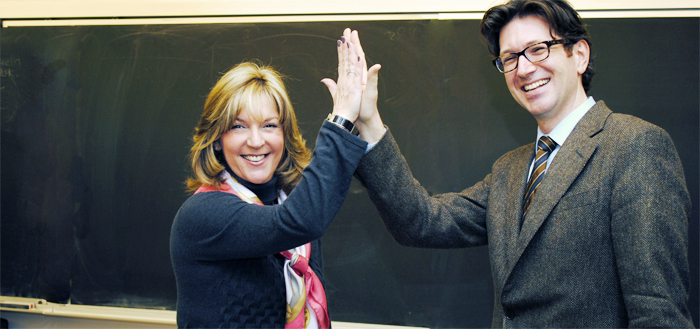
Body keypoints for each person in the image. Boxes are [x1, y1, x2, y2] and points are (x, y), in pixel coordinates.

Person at [340, 0, 694, 327]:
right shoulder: (511, 169)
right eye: (510, 58)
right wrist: (369, 124)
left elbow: (657, 310)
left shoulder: (634, 145)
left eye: (538, 49)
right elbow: (422, 223)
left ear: (579, 55)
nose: (523, 68)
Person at [170, 40, 379, 327]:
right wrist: (341, 119)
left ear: (285, 134)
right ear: (217, 140)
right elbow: (299, 221)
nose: (256, 142)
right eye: (238, 126)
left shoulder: (290, 199)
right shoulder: (203, 213)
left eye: (269, 125)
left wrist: (367, 119)